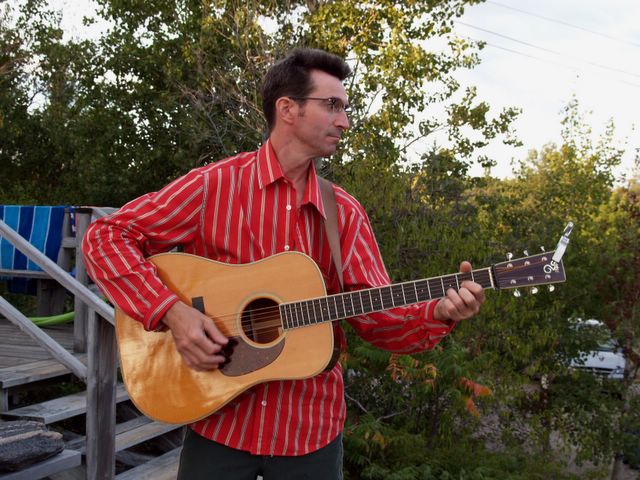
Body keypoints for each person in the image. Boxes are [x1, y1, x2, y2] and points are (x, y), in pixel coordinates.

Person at [82, 48, 485, 480]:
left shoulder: (344, 213)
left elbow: (376, 319)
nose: (345, 121)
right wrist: (173, 313)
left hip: (309, 432)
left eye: (344, 108)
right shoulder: (213, 186)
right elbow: (105, 237)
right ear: (288, 109)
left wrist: (438, 311)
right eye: (332, 105)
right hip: (219, 421)